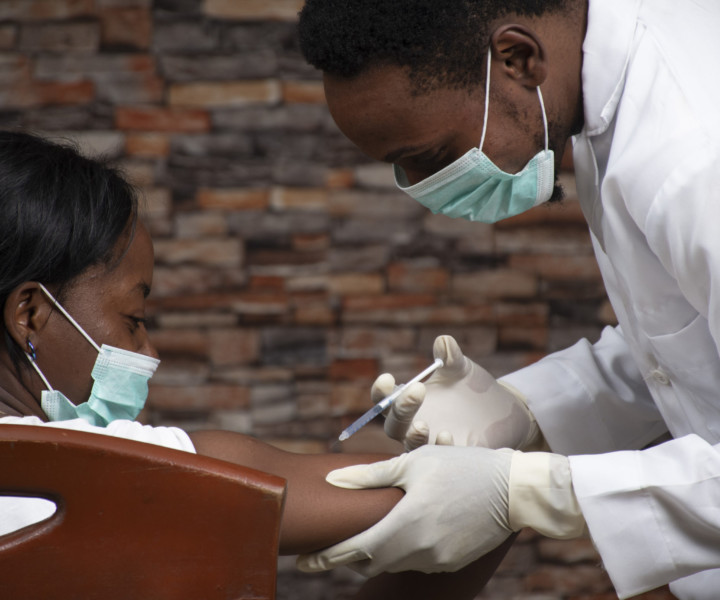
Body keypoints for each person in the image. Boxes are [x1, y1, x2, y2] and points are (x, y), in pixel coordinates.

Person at [295, 1, 720, 598]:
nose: (423, 190)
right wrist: (522, 410)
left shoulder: (696, 158)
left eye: (435, 157)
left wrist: (525, 492)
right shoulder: (599, 88)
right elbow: (687, 337)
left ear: (518, 58)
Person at [0, 129, 514, 598]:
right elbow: (464, 496)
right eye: (134, 318)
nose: (149, 353)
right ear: (31, 315)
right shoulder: (127, 466)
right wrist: (508, 442)